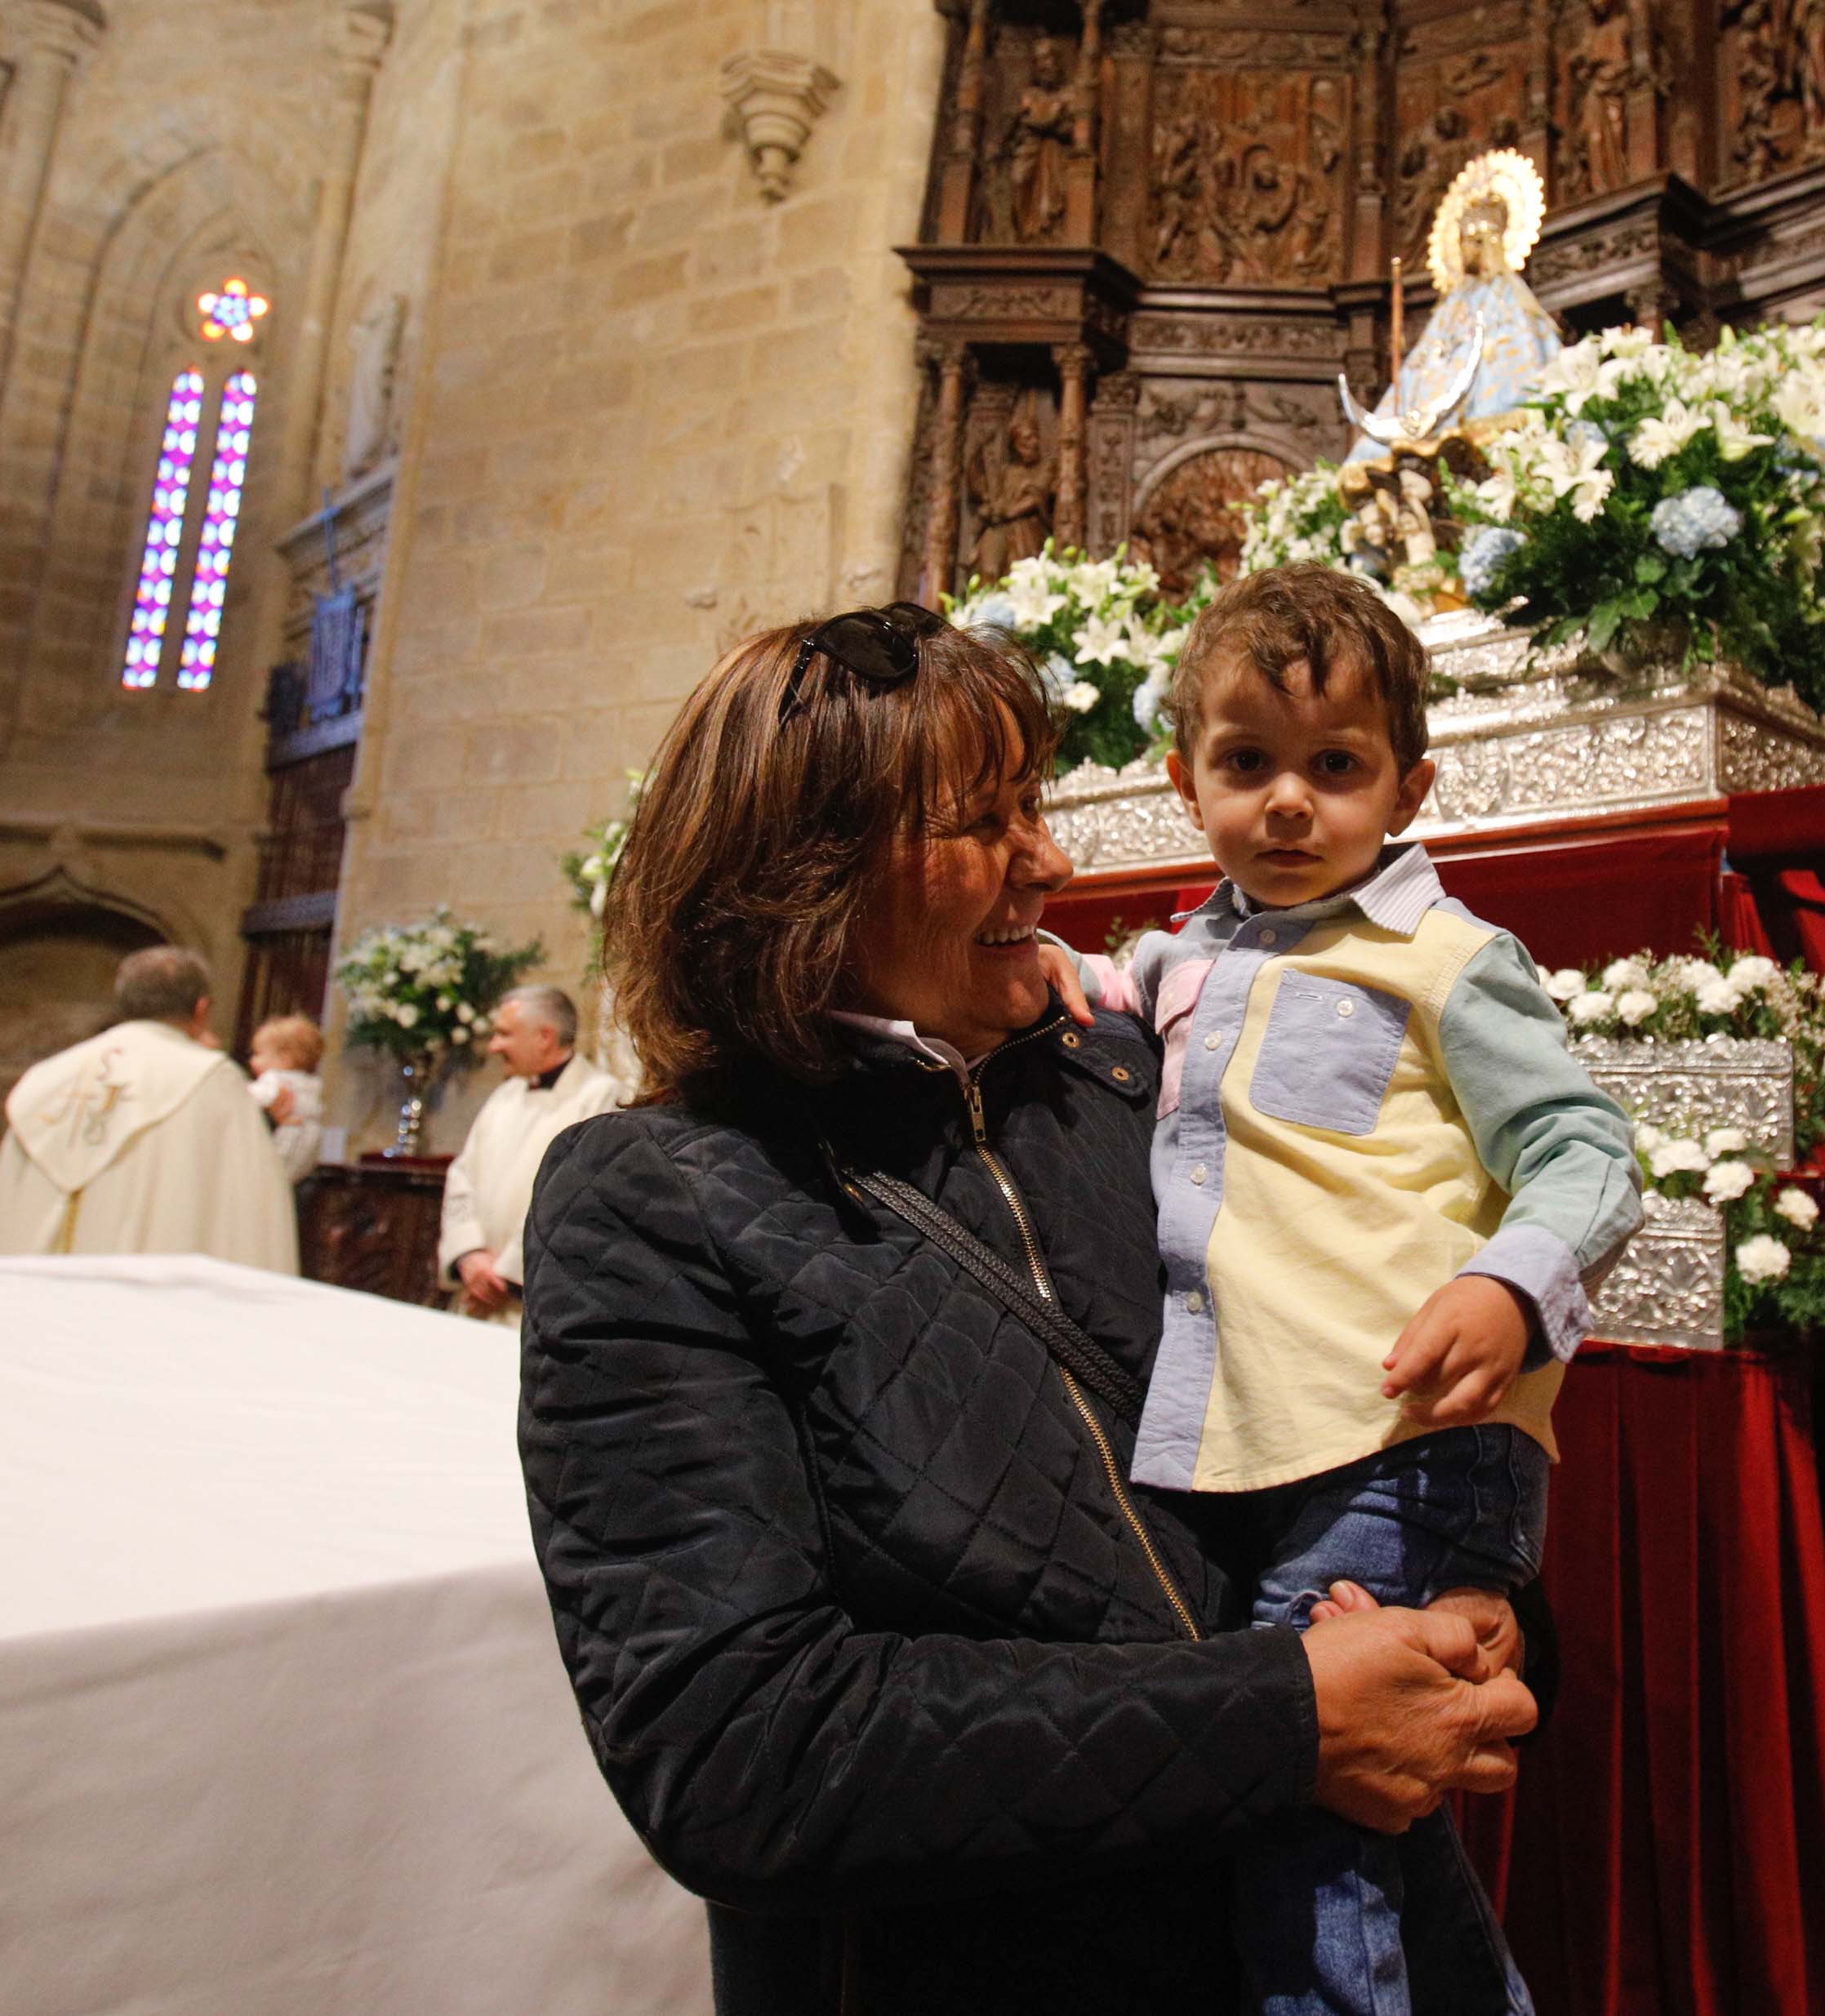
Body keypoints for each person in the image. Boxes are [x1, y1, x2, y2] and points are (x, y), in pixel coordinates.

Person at [518, 605, 1538, 2016]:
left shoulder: (1124, 1081)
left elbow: (1369, 1316)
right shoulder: (656, 1194)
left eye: (1033, 806)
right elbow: (737, 1749)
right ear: (806, 869)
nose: (1050, 859)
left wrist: (1454, 1587)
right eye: (984, 820)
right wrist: (1287, 1716)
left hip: (1310, 1928)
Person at [1067, 564, 1640, 2016]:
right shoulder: (1170, 961)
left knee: (1311, 1834)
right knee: (1329, 1825)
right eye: (1246, 762)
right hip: (1240, 1443)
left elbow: (1584, 1149)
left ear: (1408, 784)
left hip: (1396, 1441)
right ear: (1182, 775)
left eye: (1335, 767)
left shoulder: (1444, 957)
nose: (1285, 802)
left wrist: (1511, 1286)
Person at [0, 946, 297, 1271]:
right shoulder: (211, 1079)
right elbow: (249, 1211)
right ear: (202, 1010)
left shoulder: (48, 1077)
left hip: (30, 1296)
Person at [437, 984, 622, 1325]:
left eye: (504, 1034)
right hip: (476, 1294)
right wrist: (469, 1257)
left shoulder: (599, 1098)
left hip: (529, 1305)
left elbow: (575, 1199)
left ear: (545, 1037)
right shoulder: (504, 1096)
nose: (494, 1046)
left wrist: (504, 1278)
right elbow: (461, 1178)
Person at [247, 1013, 327, 1186]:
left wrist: (240, 1087)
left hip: (286, 1138)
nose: (252, 1061)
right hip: (307, 1143)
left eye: (258, 1054)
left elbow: (258, 1096)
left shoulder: (277, 1080)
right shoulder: (310, 1085)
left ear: (284, 1059)